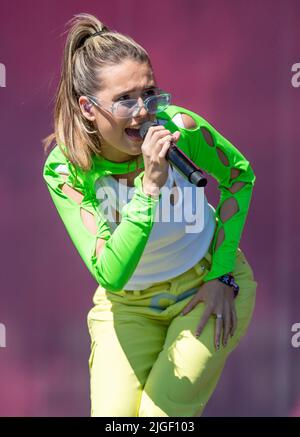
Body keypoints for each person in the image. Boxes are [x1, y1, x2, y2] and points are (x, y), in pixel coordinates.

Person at [42, 13, 257, 417]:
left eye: (150, 93)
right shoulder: (66, 169)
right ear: (88, 108)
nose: (144, 112)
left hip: (206, 288)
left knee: (160, 420)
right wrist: (149, 190)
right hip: (127, 306)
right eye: (125, 100)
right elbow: (110, 273)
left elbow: (239, 178)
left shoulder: (181, 129)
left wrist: (222, 274)